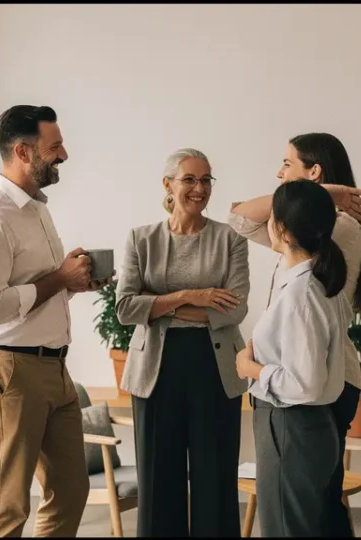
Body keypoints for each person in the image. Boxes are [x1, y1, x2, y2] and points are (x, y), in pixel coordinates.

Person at [0, 106, 110, 537]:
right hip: (11, 370)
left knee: (71, 490)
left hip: (54, 368)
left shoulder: (37, 209)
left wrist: (73, 282)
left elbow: (33, 287)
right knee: (9, 505)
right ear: (23, 151)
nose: (64, 154)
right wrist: (59, 277)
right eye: (54, 146)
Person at [229, 132, 361, 537]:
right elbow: (240, 218)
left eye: (287, 165)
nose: (279, 174)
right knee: (314, 509)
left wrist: (250, 367)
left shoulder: (337, 231)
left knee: (306, 513)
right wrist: (320, 192)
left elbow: (304, 383)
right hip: (310, 382)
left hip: (311, 393)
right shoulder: (310, 258)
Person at [116, 148, 250, 537]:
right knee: (158, 483)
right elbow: (126, 307)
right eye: (190, 179)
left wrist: (158, 306)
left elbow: (234, 310)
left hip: (214, 366)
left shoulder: (230, 240)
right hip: (156, 370)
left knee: (215, 480)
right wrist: (193, 297)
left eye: (206, 180)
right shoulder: (141, 239)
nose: (199, 188)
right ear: (168, 185)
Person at [236, 179, 353, 536]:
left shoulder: (302, 294)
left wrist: (250, 368)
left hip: (292, 427)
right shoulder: (313, 282)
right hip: (301, 429)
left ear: (282, 228)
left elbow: (304, 383)